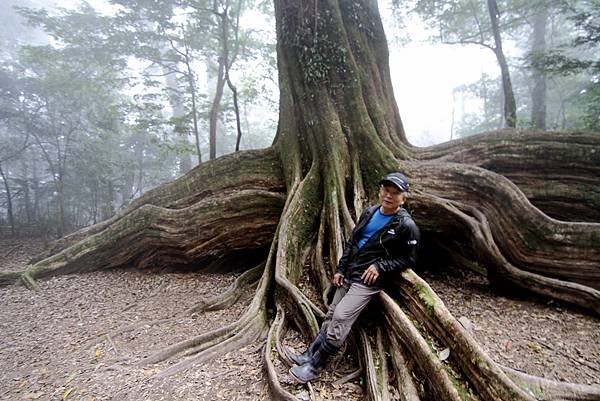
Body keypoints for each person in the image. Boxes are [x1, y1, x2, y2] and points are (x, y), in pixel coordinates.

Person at [288, 172, 420, 383]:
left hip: (367, 282)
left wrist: (381, 265)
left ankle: (315, 367)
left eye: (395, 193)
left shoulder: (406, 226)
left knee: (341, 317)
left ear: (403, 199)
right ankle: (309, 355)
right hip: (350, 272)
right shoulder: (369, 212)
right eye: (386, 190)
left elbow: (409, 259)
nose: (389, 196)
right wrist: (340, 269)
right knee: (331, 314)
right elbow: (353, 242)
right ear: (380, 191)